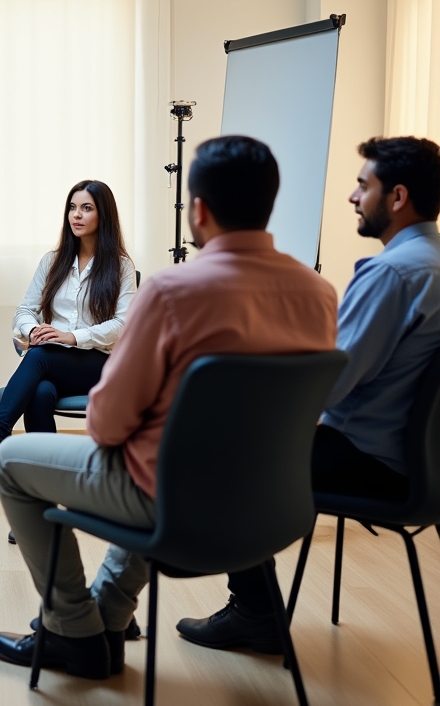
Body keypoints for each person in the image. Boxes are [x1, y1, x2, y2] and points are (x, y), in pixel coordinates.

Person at [0, 136, 337, 680]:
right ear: (269, 203)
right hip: (274, 504)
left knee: (14, 462)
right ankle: (106, 619)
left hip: (173, 503)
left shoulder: (173, 291)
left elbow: (105, 424)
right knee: (168, 460)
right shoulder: (318, 293)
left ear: (198, 210)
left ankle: (70, 630)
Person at [178, 135, 440, 654]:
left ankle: (253, 611)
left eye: (362, 186)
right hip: (420, 465)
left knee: (226, 451)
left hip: (369, 459)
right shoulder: (432, 264)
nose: (352, 196)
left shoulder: (392, 273)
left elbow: (331, 381)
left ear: (397, 198)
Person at [0, 179, 136, 483]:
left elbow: (122, 327)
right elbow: (24, 311)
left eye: (87, 208)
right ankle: (44, 494)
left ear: (104, 216)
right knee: (39, 391)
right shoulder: (53, 261)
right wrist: (34, 333)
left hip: (101, 365)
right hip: (54, 365)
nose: (76, 215)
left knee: (39, 358)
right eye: (72, 208)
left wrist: (69, 337)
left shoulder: (121, 267)